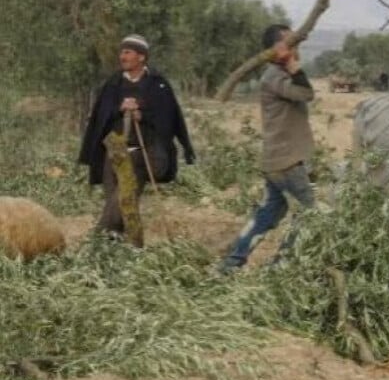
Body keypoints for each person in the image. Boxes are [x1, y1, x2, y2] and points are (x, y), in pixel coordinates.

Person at [79, 34, 195, 237]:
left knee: (123, 199)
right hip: (113, 153)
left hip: (141, 153)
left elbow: (168, 118)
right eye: (121, 52)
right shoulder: (113, 83)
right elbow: (101, 115)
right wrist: (120, 107)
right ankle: (129, 246)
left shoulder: (157, 84)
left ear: (141, 57)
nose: (122, 56)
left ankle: (97, 240)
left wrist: (142, 115)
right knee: (120, 205)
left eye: (127, 52)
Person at [220, 24, 316, 271]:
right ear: (277, 49)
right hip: (286, 162)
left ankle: (232, 263)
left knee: (269, 213)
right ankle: (280, 266)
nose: (296, 48)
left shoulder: (277, 75)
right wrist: (292, 64)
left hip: (277, 161)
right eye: (290, 43)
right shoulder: (275, 76)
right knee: (310, 214)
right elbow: (306, 93)